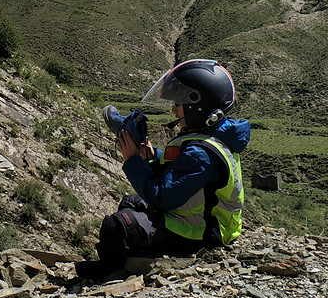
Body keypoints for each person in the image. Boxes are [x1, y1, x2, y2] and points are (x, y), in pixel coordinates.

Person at [74, 59, 249, 280]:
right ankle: (130, 257)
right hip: (200, 219)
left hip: (202, 233)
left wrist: (131, 160)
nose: (173, 110)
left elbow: (162, 196)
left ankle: (108, 270)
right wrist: (152, 156)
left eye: (178, 104)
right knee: (131, 202)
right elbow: (181, 173)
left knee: (118, 225)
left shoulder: (202, 153)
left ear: (197, 106)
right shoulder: (210, 139)